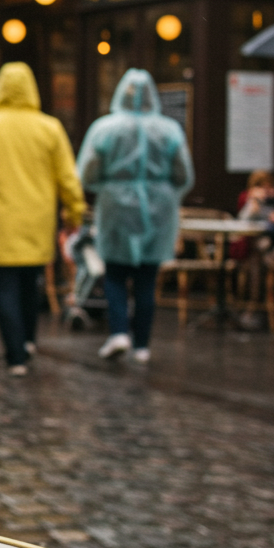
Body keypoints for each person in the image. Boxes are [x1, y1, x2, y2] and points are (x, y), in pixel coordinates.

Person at [0, 62, 85, 376]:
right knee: (30, 284)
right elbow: (68, 178)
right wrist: (73, 214)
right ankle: (27, 341)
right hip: (37, 222)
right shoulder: (49, 128)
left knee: (5, 288)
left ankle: (15, 354)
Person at [76, 69, 194, 364]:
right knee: (146, 278)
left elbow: (88, 171)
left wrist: (110, 185)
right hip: (158, 209)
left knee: (114, 273)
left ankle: (119, 332)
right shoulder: (168, 130)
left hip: (116, 205)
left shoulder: (105, 128)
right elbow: (183, 174)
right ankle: (142, 344)